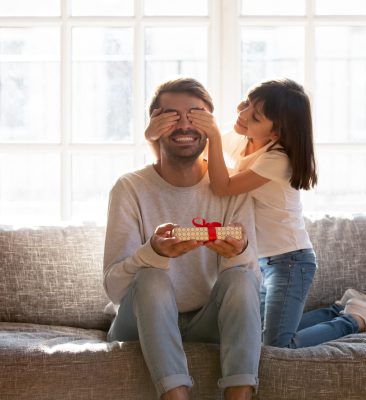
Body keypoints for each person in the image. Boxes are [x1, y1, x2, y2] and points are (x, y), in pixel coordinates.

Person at [183, 78, 366, 347]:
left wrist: (213, 135)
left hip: (290, 261)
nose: (243, 114)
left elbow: (222, 186)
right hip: (261, 262)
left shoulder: (278, 159)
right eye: (247, 103)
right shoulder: (245, 139)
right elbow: (202, 149)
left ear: (276, 133)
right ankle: (338, 310)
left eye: (256, 115)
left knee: (278, 346)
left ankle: (353, 321)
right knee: (257, 331)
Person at [104, 77, 261, 400]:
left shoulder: (231, 187)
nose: (184, 124)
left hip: (208, 321)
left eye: (196, 114)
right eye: (171, 116)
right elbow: (116, 289)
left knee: (241, 279)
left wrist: (238, 251)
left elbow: (251, 286)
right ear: (154, 127)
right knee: (151, 278)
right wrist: (153, 253)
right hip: (139, 323)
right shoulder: (130, 188)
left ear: (211, 126)